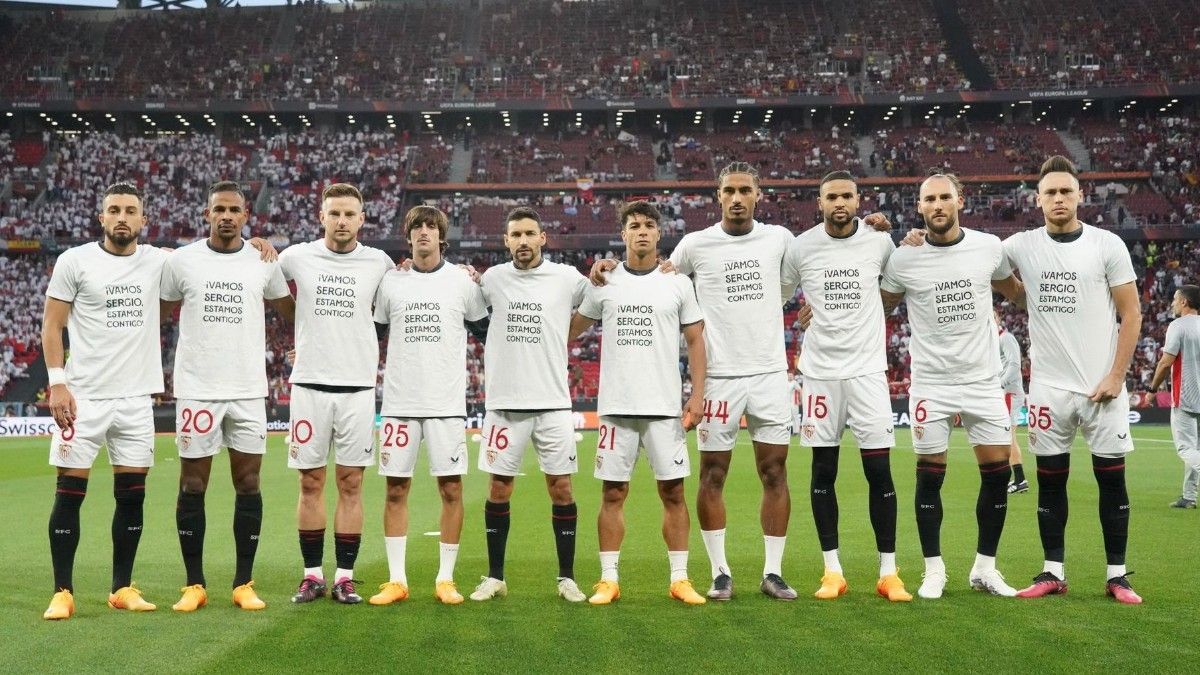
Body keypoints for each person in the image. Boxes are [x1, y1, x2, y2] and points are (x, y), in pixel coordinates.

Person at [1002, 156, 1143, 604]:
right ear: (1038, 199)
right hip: (1049, 388)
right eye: (1051, 192)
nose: (1059, 198)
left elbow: (1132, 312)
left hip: (1102, 387)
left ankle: (1117, 575)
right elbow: (973, 257)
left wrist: (1117, 376)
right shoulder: (1021, 245)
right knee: (1050, 481)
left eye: (1066, 191)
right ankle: (1052, 571)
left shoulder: (1106, 245)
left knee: (1112, 481)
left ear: (1080, 195)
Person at [880, 172, 1025, 600]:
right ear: (920, 207)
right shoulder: (904, 259)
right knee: (929, 480)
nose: (938, 205)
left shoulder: (988, 248)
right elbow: (879, 305)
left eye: (945, 197)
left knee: (998, 477)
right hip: (932, 384)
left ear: (960, 200)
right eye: (930, 199)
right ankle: (933, 570)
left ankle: (985, 568)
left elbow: (1015, 292)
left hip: (983, 382)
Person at [160, 181, 295, 613]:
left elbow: (293, 314)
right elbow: (157, 314)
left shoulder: (263, 260)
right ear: (206, 213)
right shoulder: (182, 261)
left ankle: (243, 583)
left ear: (246, 215)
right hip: (198, 390)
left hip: (248, 390)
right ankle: (194, 584)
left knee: (249, 483)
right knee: (192, 484)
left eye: (234, 209)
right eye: (218, 208)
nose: (226, 216)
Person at [567, 201, 708, 605]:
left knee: (674, 494)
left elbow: (696, 341)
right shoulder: (607, 281)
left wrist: (696, 397)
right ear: (623, 234)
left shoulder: (677, 282)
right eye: (634, 225)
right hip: (616, 408)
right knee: (613, 494)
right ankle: (608, 578)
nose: (642, 231)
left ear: (659, 233)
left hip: (665, 408)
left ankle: (680, 578)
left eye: (649, 225)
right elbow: (573, 329)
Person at [41, 182, 170, 619]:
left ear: (143, 220)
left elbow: (212, 256)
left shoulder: (159, 261)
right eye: (113, 209)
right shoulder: (74, 261)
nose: (121, 217)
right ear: (101, 217)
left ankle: (121, 587)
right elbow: (52, 324)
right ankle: (63, 590)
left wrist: (259, 245)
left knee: (132, 496)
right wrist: (58, 382)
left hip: (136, 399)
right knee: (69, 492)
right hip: (85, 396)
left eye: (130, 210)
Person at [780, 170, 910, 602]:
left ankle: (888, 572)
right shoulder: (801, 247)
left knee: (880, 472)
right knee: (823, 472)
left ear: (859, 201)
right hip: (819, 374)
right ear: (819, 202)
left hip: (868, 373)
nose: (839, 203)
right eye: (831, 197)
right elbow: (776, 293)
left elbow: (894, 289)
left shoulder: (879, 240)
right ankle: (832, 570)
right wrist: (800, 307)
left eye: (847, 196)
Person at [280, 183, 394, 605]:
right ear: (321, 216)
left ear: (362, 219)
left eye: (350, 214)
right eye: (335, 214)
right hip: (308, 385)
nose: (342, 221)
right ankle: (312, 575)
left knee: (351, 482)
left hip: (358, 389)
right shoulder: (297, 256)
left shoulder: (378, 262)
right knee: (310, 482)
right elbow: (261, 280)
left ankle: (344, 576)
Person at [369, 206, 488, 606]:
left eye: (430, 227)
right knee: (395, 488)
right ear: (408, 237)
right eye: (416, 227)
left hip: (446, 405)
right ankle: (397, 579)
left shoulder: (462, 283)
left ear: (441, 236)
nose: (423, 232)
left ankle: (445, 578)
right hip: (400, 403)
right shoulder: (391, 283)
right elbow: (371, 336)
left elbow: (489, 332)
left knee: (451, 488)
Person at [470, 206, 589, 603]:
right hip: (504, 403)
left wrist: (570, 331)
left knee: (562, 488)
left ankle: (567, 578)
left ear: (543, 238)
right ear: (506, 241)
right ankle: (495, 576)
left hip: (554, 403)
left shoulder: (567, 278)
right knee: (499, 489)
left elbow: (604, 295)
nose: (522, 241)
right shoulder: (492, 279)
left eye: (529, 234)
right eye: (515, 235)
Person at [1150, 285, 1200, 510]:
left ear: (1184, 302)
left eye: (1175, 299)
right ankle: (1189, 497)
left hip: (1186, 396)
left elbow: (1166, 361)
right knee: (1195, 449)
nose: (1172, 303)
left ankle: (1188, 497)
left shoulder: (1178, 326)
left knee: (1185, 448)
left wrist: (1152, 390)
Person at [997, 309, 1029, 494]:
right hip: (1004, 392)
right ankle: (1015, 478)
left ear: (998, 320)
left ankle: (1020, 480)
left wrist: (1000, 384)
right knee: (1004, 436)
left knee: (1008, 436)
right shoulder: (993, 341)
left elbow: (1015, 364)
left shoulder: (1005, 338)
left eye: (992, 317)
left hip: (1009, 392)